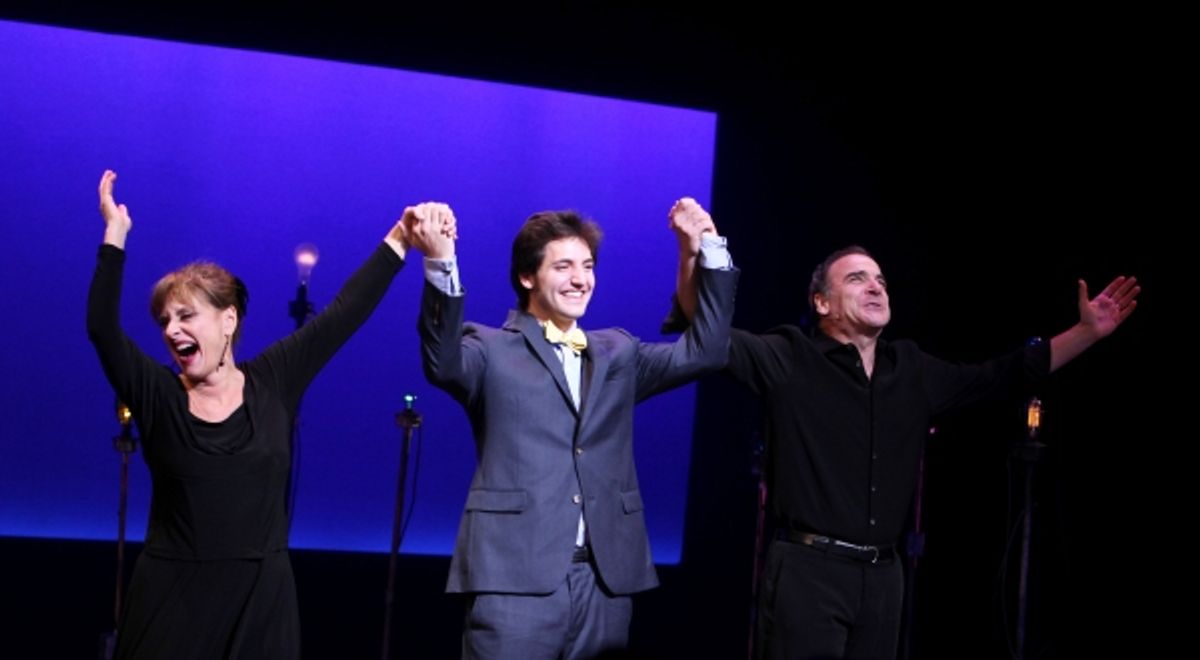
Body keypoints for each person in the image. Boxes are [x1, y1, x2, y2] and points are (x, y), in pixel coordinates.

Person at [677, 244, 1140, 660]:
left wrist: (1086, 333)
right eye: (857, 279)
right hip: (808, 574)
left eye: (880, 279)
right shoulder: (790, 357)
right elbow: (710, 332)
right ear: (822, 303)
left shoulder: (910, 370)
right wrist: (690, 253)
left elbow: (1000, 376)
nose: (876, 286)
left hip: (883, 578)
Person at [86, 170, 443, 659]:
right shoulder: (158, 396)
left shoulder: (273, 380)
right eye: (165, 320)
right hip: (172, 601)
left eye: (186, 315)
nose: (172, 330)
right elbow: (103, 329)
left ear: (228, 320)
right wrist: (115, 234)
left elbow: (343, 314)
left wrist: (400, 238)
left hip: (260, 603)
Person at [404, 198, 738, 659]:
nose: (581, 279)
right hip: (514, 582)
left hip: (605, 583)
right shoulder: (490, 348)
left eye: (587, 266)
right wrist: (440, 260)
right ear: (527, 276)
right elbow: (441, 362)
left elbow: (706, 352)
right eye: (563, 266)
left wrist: (706, 246)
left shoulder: (617, 351)